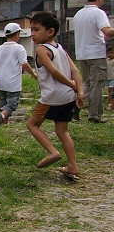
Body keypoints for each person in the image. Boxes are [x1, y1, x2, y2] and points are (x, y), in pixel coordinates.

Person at [26, 12, 83, 181]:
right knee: (62, 130)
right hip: (68, 97)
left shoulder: (42, 50)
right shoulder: (60, 49)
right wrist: (78, 91)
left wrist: (71, 84)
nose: (32, 33)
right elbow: (75, 70)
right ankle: (72, 166)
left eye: (36, 29)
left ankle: (52, 151)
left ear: (50, 31)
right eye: (32, 30)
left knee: (32, 124)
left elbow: (53, 71)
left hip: (52, 97)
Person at [73, 0, 114, 122]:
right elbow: (107, 31)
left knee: (87, 83)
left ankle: (74, 107)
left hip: (81, 53)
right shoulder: (98, 13)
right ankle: (94, 115)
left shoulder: (78, 14)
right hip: (95, 53)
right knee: (97, 84)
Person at [0, 23, 37, 125]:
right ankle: (2, 116)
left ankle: (4, 123)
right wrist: (33, 74)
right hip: (13, 83)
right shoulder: (19, 48)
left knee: (3, 103)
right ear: (17, 34)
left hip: (1, 81)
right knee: (12, 104)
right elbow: (24, 64)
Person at [107, 46, 114, 111]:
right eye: (108, 53)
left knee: (111, 91)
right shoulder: (106, 60)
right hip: (107, 78)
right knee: (109, 91)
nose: (110, 54)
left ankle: (110, 105)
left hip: (112, 78)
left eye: (112, 53)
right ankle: (109, 104)